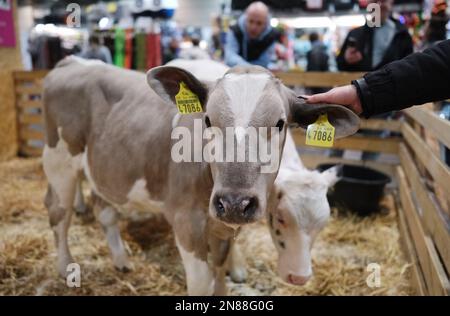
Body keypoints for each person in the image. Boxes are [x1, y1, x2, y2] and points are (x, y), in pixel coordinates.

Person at [305, 40, 450, 118]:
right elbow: (340, 63)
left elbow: (416, 61)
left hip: (390, 102)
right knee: (342, 144)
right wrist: (346, 61)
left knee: (377, 139)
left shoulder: (400, 32)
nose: (380, 4)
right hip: (366, 98)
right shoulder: (356, 33)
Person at [336, 0, 413, 72]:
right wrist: (346, 60)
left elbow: (409, 68)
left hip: (391, 85)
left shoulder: (402, 34)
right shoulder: (355, 34)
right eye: (375, 1)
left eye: (383, 1)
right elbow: (340, 66)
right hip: (363, 85)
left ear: (391, 2)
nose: (378, 5)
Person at [224, 1, 279, 68]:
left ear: (266, 23)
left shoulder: (271, 36)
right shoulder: (235, 30)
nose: (253, 27)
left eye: (259, 23)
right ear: (246, 18)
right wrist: (249, 68)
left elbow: (264, 62)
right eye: (251, 21)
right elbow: (230, 57)